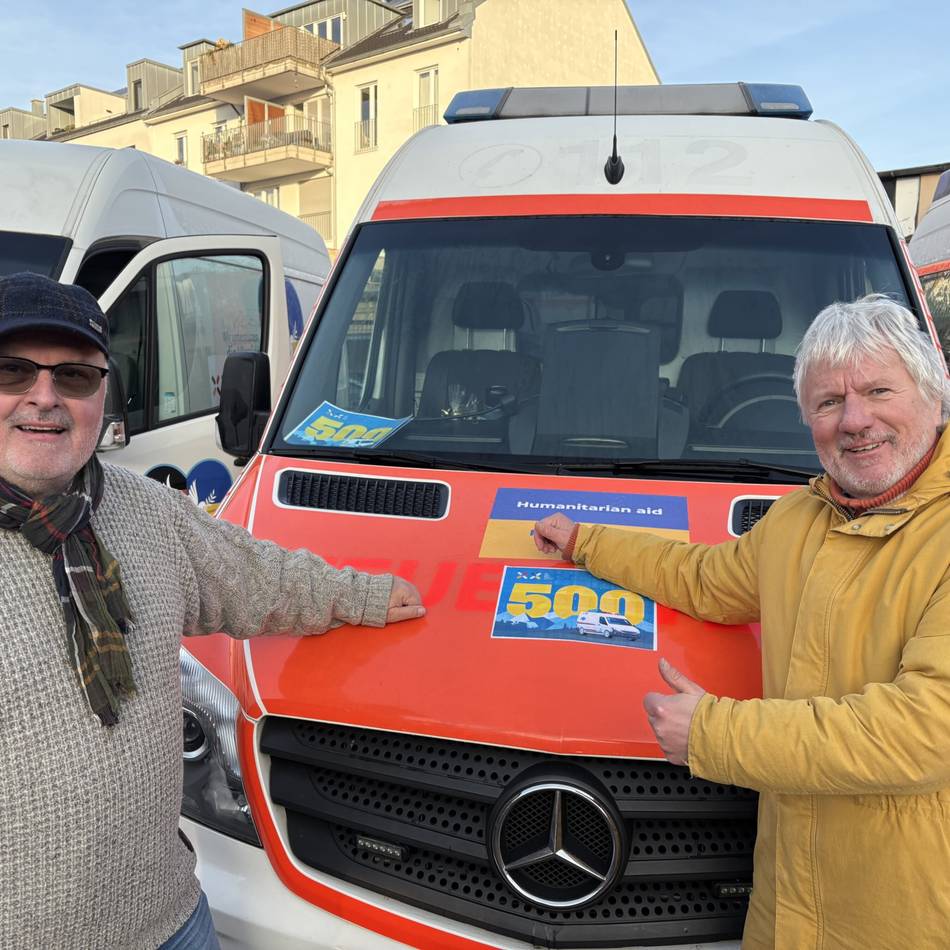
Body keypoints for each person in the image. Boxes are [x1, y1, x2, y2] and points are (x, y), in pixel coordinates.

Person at [0, 272, 424, 949]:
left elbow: (257, 577)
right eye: (13, 371)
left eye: (74, 377)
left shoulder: (148, 512)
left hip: (171, 924)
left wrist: (361, 595)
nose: (44, 397)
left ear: (106, 393)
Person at [534, 294, 950, 950]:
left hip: (903, 918)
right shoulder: (799, 519)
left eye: (877, 390)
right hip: (786, 909)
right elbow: (707, 579)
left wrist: (716, 733)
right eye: (828, 403)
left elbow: (926, 732)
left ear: (933, 392)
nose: (856, 420)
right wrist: (589, 541)